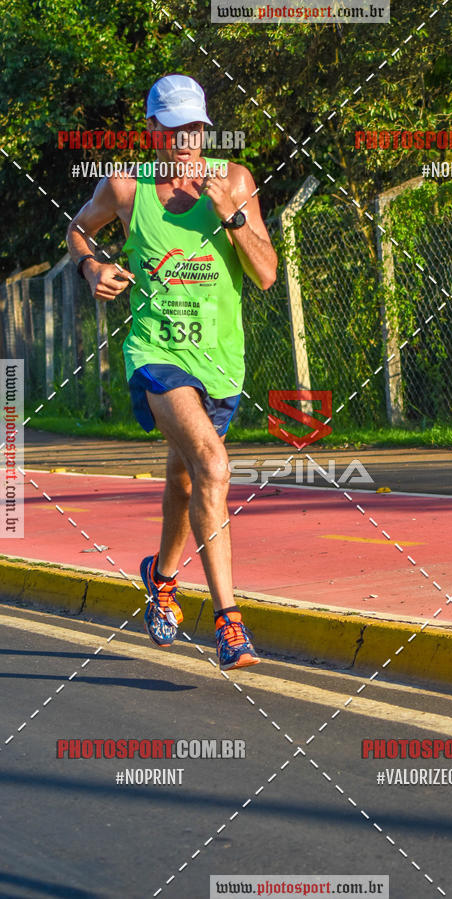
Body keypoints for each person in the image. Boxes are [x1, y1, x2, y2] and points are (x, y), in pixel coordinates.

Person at [67, 74, 278, 669]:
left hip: (221, 363)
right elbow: (78, 230)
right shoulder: (125, 188)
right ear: (152, 131)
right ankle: (230, 624)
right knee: (213, 465)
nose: (185, 141)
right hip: (155, 353)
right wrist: (90, 268)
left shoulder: (234, 181)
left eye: (195, 128)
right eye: (173, 129)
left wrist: (231, 216)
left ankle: (160, 578)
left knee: (186, 481)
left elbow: (266, 274)